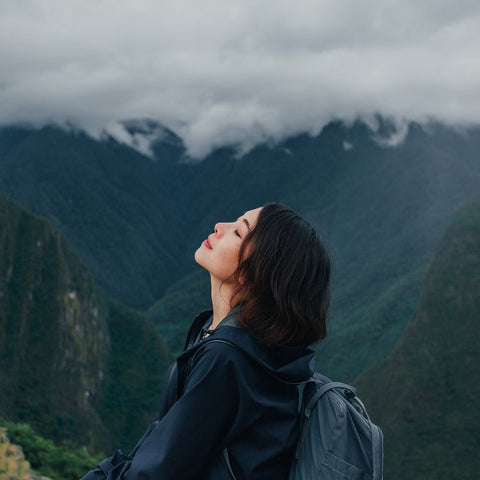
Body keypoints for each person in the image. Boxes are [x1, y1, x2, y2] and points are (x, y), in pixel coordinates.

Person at [80, 202, 331, 480]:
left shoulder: (229, 359)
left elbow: (155, 473)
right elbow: (165, 445)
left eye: (238, 233)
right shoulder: (254, 351)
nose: (220, 226)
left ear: (254, 272)